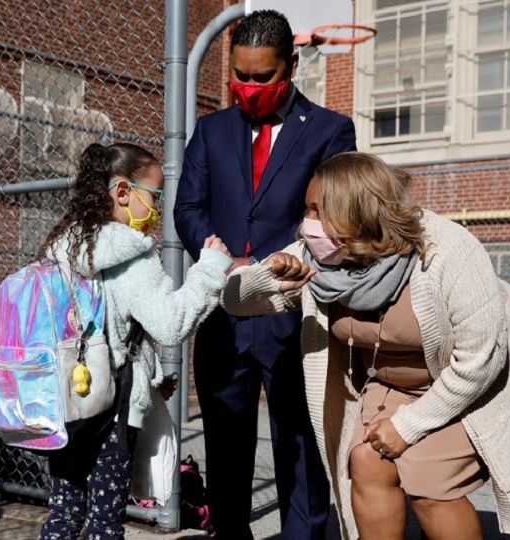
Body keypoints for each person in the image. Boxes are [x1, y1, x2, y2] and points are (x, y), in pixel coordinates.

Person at [222, 152, 510, 539]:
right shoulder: (324, 253)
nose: (304, 226)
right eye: (306, 209)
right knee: (365, 461)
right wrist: (272, 277)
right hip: (392, 384)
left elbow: (480, 361)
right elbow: (235, 302)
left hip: (473, 386)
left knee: (431, 485)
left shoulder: (447, 251)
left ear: (358, 213)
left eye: (317, 210)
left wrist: (408, 425)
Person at [173, 10, 355, 538]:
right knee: (226, 453)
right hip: (223, 314)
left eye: (263, 77)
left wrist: (291, 259)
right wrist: (224, 260)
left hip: (295, 316)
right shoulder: (211, 130)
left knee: (300, 449)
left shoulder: (329, 130)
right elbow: (188, 207)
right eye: (241, 76)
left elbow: (339, 213)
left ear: (291, 65)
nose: (249, 88)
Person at [36, 142, 232, 540]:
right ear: (123, 192)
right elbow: (169, 324)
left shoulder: (65, 246)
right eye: (155, 196)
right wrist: (210, 271)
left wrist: (152, 376)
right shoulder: (131, 253)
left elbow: (104, 326)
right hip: (110, 411)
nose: (159, 210)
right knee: (105, 522)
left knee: (64, 513)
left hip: (63, 400)